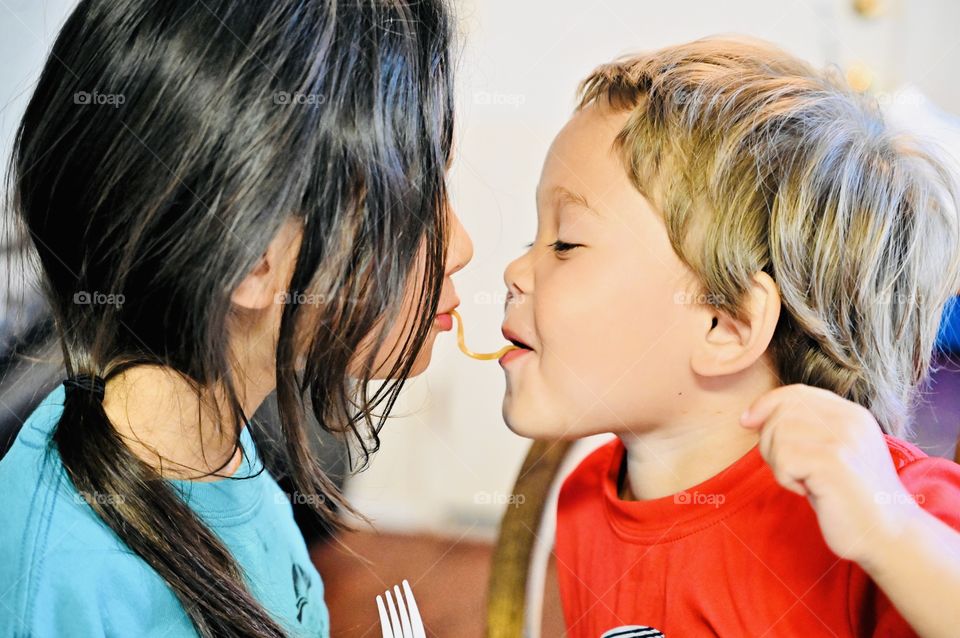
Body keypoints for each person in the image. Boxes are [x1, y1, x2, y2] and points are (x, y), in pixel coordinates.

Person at [0, 0, 472, 636]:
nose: (461, 245)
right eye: (415, 200)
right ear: (253, 257)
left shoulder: (221, 452)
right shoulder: (76, 583)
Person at [500, 37, 960, 637]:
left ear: (726, 323)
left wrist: (888, 533)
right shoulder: (586, 500)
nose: (513, 273)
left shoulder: (895, 506)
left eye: (565, 243)